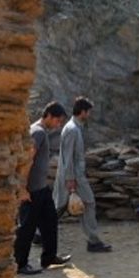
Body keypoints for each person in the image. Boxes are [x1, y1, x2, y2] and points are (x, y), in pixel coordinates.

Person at [14, 102, 72, 275]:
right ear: (48, 116)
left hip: (42, 189)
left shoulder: (40, 132)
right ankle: (20, 263)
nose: (58, 125)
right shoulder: (38, 132)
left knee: (50, 221)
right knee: (27, 228)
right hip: (32, 191)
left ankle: (49, 257)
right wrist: (22, 188)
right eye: (57, 121)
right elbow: (28, 160)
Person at [54, 96, 113, 252]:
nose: (89, 116)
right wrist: (71, 180)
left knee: (59, 207)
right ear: (82, 112)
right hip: (74, 178)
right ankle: (93, 241)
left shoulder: (74, 128)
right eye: (88, 112)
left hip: (72, 177)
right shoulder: (72, 130)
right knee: (88, 203)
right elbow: (68, 157)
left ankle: (39, 233)